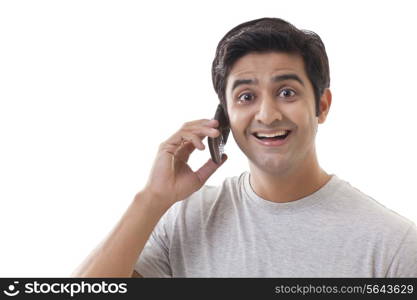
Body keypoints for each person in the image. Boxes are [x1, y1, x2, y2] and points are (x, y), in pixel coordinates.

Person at [72, 17, 417, 278]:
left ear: (322, 105)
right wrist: (151, 200)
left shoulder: (392, 245)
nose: (267, 114)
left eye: (287, 92)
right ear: (224, 116)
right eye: (246, 96)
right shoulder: (185, 220)